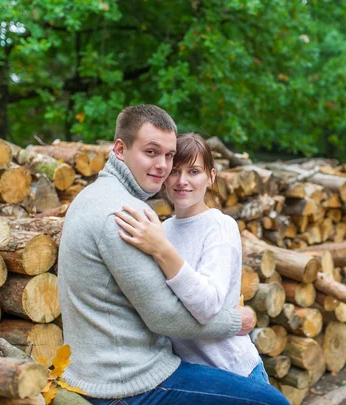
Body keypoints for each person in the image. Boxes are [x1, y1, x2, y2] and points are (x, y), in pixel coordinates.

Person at [58, 104, 289, 405]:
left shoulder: (94, 197)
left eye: (168, 155)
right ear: (119, 149)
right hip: (129, 380)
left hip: (110, 369)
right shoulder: (127, 213)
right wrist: (237, 322)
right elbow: (165, 316)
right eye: (151, 152)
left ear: (211, 177)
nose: (163, 166)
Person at [114, 133, 268, 383]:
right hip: (186, 375)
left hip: (233, 370)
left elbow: (207, 305)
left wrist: (163, 251)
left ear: (211, 177)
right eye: (175, 171)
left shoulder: (219, 226)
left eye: (194, 171)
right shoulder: (160, 231)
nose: (182, 181)